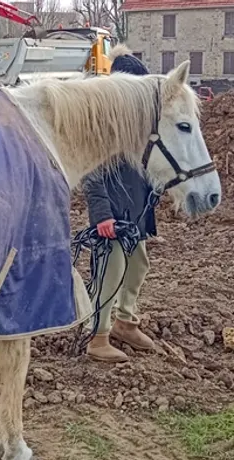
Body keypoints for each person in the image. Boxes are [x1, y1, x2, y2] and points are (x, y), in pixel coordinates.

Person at [81, 50, 158, 363]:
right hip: (111, 212)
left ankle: (125, 323)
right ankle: (98, 336)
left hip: (135, 209)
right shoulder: (101, 121)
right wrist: (101, 214)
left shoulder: (135, 120)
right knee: (110, 271)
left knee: (137, 265)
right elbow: (91, 171)